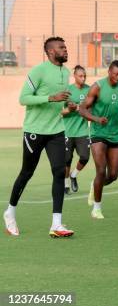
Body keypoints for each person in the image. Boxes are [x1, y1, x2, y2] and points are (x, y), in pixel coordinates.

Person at [4, 36, 74, 237]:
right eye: (62, 47)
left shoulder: (66, 72)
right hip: (35, 130)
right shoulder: (38, 71)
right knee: (27, 172)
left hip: (57, 131)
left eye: (65, 46)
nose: (65, 50)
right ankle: (10, 212)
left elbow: (60, 102)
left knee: (60, 172)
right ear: (51, 52)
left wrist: (66, 105)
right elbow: (23, 98)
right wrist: (51, 98)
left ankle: (57, 224)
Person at [79, 60, 118, 219]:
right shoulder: (97, 87)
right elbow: (82, 109)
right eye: (116, 73)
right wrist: (95, 119)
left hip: (115, 134)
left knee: (113, 175)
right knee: (101, 170)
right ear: (109, 72)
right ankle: (96, 208)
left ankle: (95, 185)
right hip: (98, 133)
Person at [62, 65, 91, 194]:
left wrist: (78, 108)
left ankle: (74, 175)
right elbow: (60, 112)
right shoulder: (67, 91)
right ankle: (66, 184)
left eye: (84, 76)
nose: (83, 78)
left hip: (83, 131)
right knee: (67, 160)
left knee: (85, 157)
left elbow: (91, 109)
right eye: (80, 76)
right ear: (74, 76)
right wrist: (69, 109)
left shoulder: (89, 90)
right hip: (68, 131)